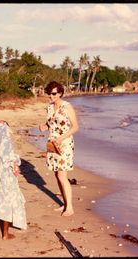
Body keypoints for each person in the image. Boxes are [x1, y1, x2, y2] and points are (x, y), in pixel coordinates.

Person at [39, 81, 79, 216]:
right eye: (49, 93)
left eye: (54, 93)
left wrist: (61, 138)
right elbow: (51, 123)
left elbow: (75, 127)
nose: (51, 96)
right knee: (57, 175)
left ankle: (70, 208)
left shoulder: (67, 107)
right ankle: (65, 204)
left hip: (64, 144)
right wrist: (45, 126)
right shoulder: (49, 107)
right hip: (52, 143)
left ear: (60, 93)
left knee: (62, 175)